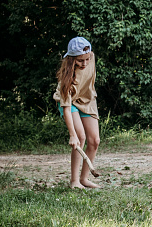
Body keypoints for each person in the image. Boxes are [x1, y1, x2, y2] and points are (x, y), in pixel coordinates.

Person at [53, 37, 101, 189]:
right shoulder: (66, 79)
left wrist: (87, 58)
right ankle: (74, 181)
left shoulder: (91, 57)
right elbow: (66, 108)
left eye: (87, 59)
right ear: (71, 59)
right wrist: (72, 135)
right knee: (80, 137)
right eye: (80, 61)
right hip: (70, 103)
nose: (85, 63)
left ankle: (84, 179)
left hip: (87, 100)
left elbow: (88, 62)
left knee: (94, 140)